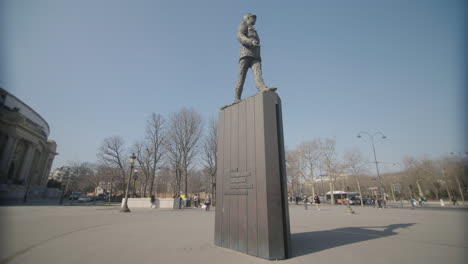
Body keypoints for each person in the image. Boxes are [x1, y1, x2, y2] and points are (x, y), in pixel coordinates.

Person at [234, 13, 276, 103]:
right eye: (253, 18)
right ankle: (237, 97)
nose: (254, 20)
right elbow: (240, 36)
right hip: (245, 54)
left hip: (255, 55)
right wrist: (250, 41)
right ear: (248, 18)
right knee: (241, 76)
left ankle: (262, 88)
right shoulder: (243, 24)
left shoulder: (253, 29)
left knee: (258, 72)